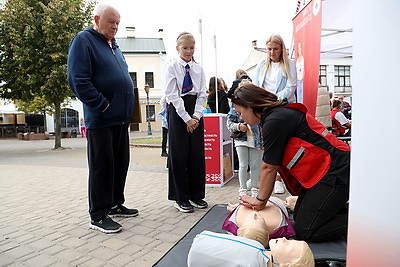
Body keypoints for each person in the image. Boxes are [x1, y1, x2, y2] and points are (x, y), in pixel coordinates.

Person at [231, 82, 350, 242]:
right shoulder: (276, 115)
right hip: (329, 170)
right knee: (301, 214)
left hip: (337, 171)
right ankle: (357, 210)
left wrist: (260, 201)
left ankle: (366, 223)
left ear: (251, 106)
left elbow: (268, 167)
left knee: (307, 229)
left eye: (240, 112)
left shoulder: (275, 120)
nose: (241, 117)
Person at [67, 3, 138, 233]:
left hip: (120, 118)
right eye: (111, 22)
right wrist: (103, 105)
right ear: (97, 20)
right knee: (102, 167)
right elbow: (78, 80)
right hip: (101, 117)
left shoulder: (113, 45)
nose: (115, 26)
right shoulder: (83, 41)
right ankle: (98, 215)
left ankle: (116, 204)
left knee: (120, 164)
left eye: (118, 22)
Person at [164, 32, 208, 213]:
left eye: (192, 48)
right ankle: (180, 197)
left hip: (195, 111)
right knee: (179, 154)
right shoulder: (172, 67)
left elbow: (202, 94)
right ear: (177, 48)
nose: (189, 51)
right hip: (178, 110)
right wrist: (186, 118)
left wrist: (196, 116)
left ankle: (196, 195)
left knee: (196, 154)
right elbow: (172, 94)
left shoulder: (198, 69)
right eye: (185, 48)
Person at [253, 34, 297, 194]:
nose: (272, 52)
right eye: (269, 49)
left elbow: (291, 86)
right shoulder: (262, 65)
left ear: (281, 49)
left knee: (282, 143)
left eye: (275, 49)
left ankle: (280, 178)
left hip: (282, 107)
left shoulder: (290, 64)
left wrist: (274, 99)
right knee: (268, 144)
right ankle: (271, 178)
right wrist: (263, 101)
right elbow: (256, 85)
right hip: (265, 109)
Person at [188, 230, 314, 267]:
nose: (285, 239)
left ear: (286, 265)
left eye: (289, 246)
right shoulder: (259, 249)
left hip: (197, 253)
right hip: (202, 241)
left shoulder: (252, 262)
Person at [226, 106, 262, 197]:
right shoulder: (235, 108)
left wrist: (262, 141)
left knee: (255, 165)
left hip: (256, 140)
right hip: (241, 140)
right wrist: (238, 126)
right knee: (243, 165)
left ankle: (254, 188)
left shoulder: (257, 107)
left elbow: (262, 126)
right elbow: (229, 124)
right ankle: (243, 188)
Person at [222, 196, 296, 240]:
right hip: (273, 202)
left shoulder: (234, 226)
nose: (255, 214)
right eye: (257, 220)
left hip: (248, 204)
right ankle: (287, 203)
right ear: (267, 233)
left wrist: (237, 207)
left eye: (250, 219)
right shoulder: (278, 227)